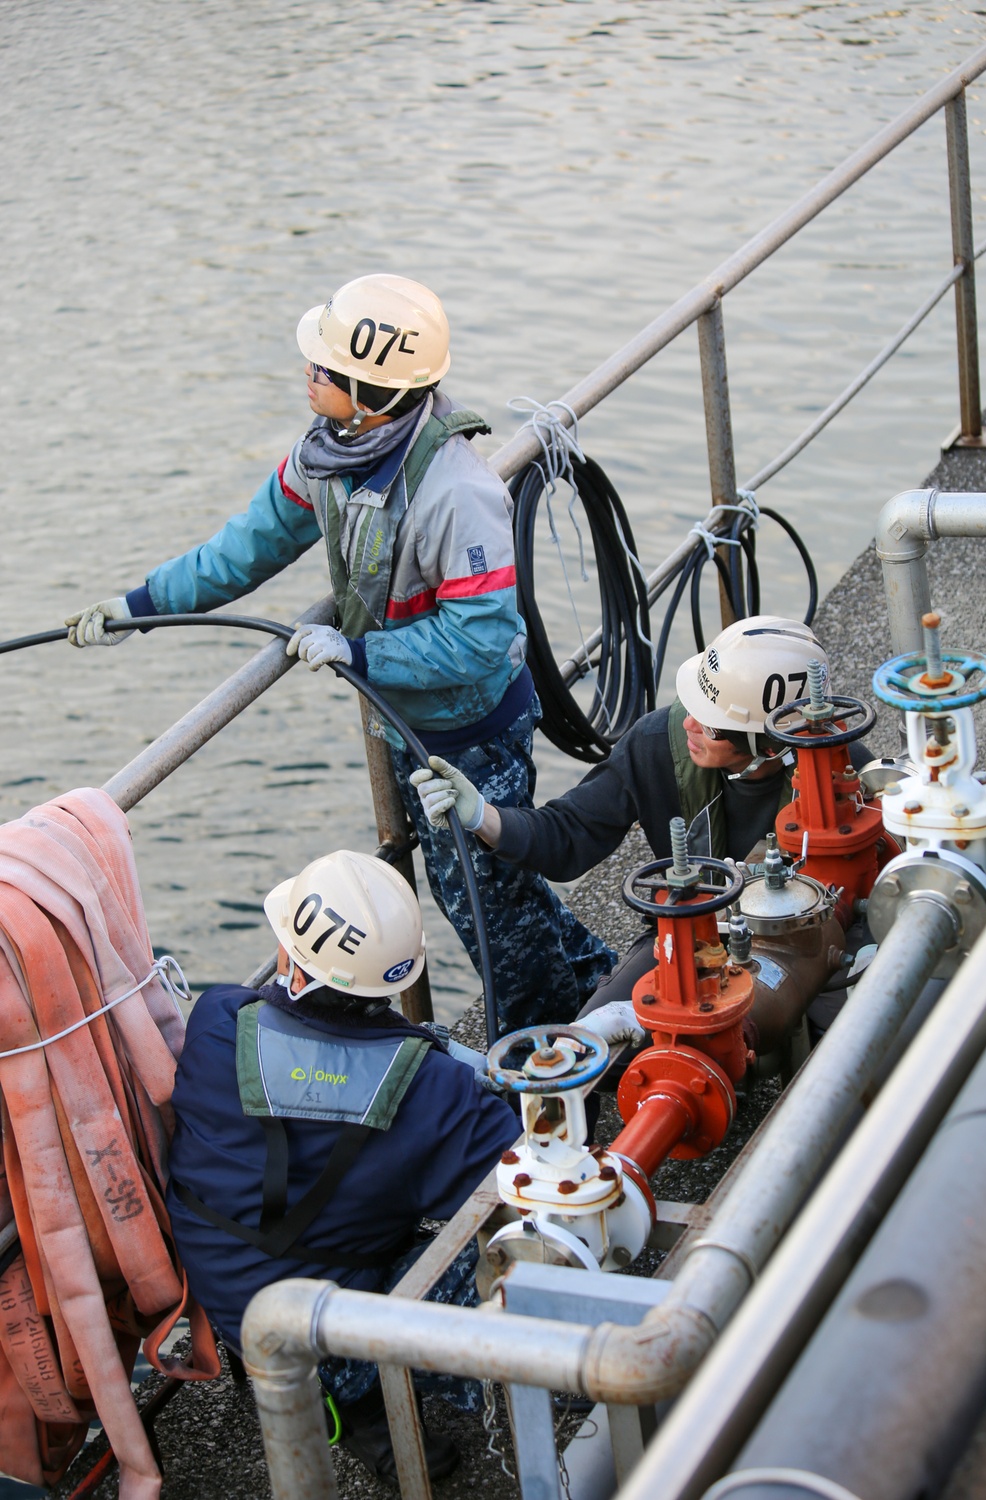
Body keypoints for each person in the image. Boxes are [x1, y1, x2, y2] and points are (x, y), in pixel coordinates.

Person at [64, 274, 613, 1033]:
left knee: (487, 912)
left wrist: (358, 652)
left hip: (475, 738)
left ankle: (543, 1060)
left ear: (372, 391)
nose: (308, 372)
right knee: (494, 892)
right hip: (404, 722)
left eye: (323, 367)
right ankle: (606, 985)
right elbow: (246, 547)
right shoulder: (327, 454)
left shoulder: (456, 493)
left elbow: (483, 638)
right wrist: (138, 608)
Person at [165, 848, 639, 1483]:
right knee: (568, 1272)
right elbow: (544, 1184)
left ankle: (351, 1404)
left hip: (232, 1312)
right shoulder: (434, 1096)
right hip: (330, 1330)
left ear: (291, 962)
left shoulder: (218, 1021)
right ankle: (358, 1386)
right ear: (394, 980)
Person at [412, 615, 848, 1012]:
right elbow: (568, 834)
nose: (688, 725)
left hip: (798, 944)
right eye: (692, 703)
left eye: (710, 722)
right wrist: (482, 816)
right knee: (597, 1040)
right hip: (687, 935)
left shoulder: (841, 776)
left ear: (768, 745)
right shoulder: (657, 745)